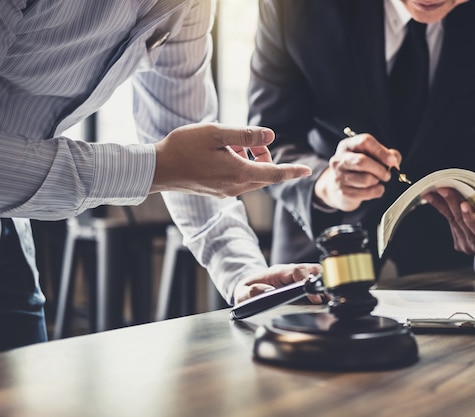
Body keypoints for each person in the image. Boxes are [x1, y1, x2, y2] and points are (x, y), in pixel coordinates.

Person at [0, 0, 322, 351]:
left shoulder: (189, 6)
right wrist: (154, 167)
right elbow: (174, 163)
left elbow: (189, 149)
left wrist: (243, 271)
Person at [248, 0, 475, 275]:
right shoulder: (292, 5)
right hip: (325, 255)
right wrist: (325, 184)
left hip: (455, 265)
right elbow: (270, 138)